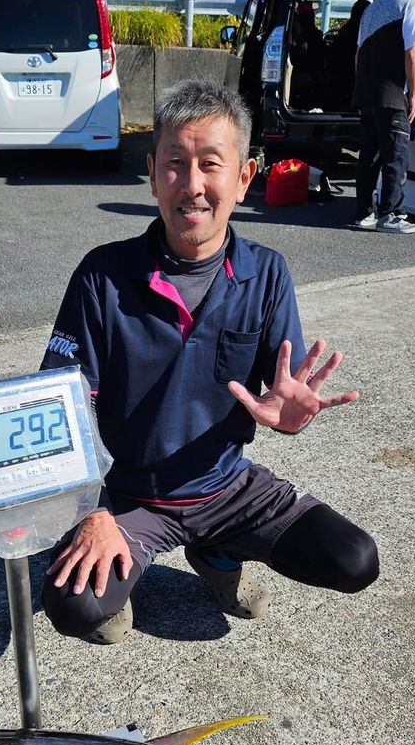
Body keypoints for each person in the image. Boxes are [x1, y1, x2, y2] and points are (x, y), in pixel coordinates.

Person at [39, 79, 379, 644]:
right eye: (175, 163)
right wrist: (89, 512)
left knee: (354, 560)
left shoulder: (267, 272)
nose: (192, 186)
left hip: (227, 486)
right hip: (129, 497)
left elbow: (280, 385)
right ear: (152, 173)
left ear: (243, 178)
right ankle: (127, 557)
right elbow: (60, 410)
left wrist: (288, 409)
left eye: (211, 165)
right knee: (76, 608)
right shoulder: (102, 275)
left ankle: (217, 547)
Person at [351, 0, 415, 235]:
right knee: (396, 155)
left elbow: (358, 53)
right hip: (392, 92)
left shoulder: (373, 8)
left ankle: (364, 212)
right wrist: (413, 93)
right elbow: (412, 52)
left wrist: (363, 85)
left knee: (369, 156)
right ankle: (391, 214)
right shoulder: (410, 5)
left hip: (367, 93)